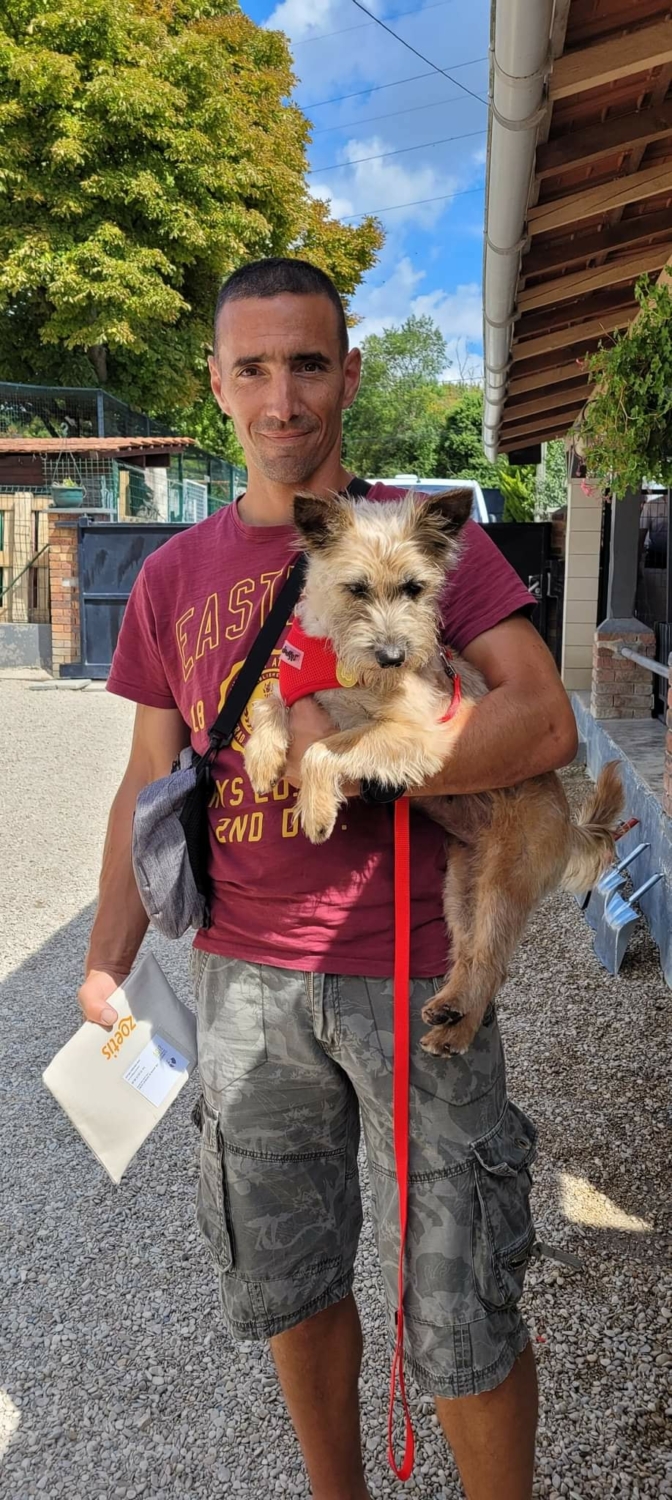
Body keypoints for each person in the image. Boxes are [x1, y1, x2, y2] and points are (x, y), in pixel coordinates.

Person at [79, 258, 578, 1500]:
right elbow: (148, 784)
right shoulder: (168, 578)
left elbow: (547, 723)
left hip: (414, 966)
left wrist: (350, 752)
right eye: (253, 366)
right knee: (291, 1288)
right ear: (217, 382)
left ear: (348, 373)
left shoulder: (414, 536)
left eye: (308, 362)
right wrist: (102, 958)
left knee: (462, 1312)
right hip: (243, 978)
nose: (283, 395)